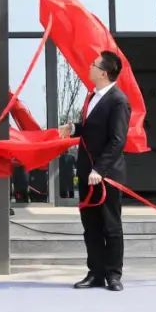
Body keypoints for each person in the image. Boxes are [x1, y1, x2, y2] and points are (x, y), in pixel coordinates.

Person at [58, 51, 130, 292]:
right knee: (91, 226)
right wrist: (73, 128)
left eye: (93, 64)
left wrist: (100, 169)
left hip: (106, 175)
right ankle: (96, 273)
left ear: (104, 73)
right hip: (87, 172)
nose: (89, 67)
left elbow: (117, 140)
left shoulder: (118, 100)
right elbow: (92, 129)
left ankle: (113, 275)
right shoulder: (92, 97)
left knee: (111, 226)